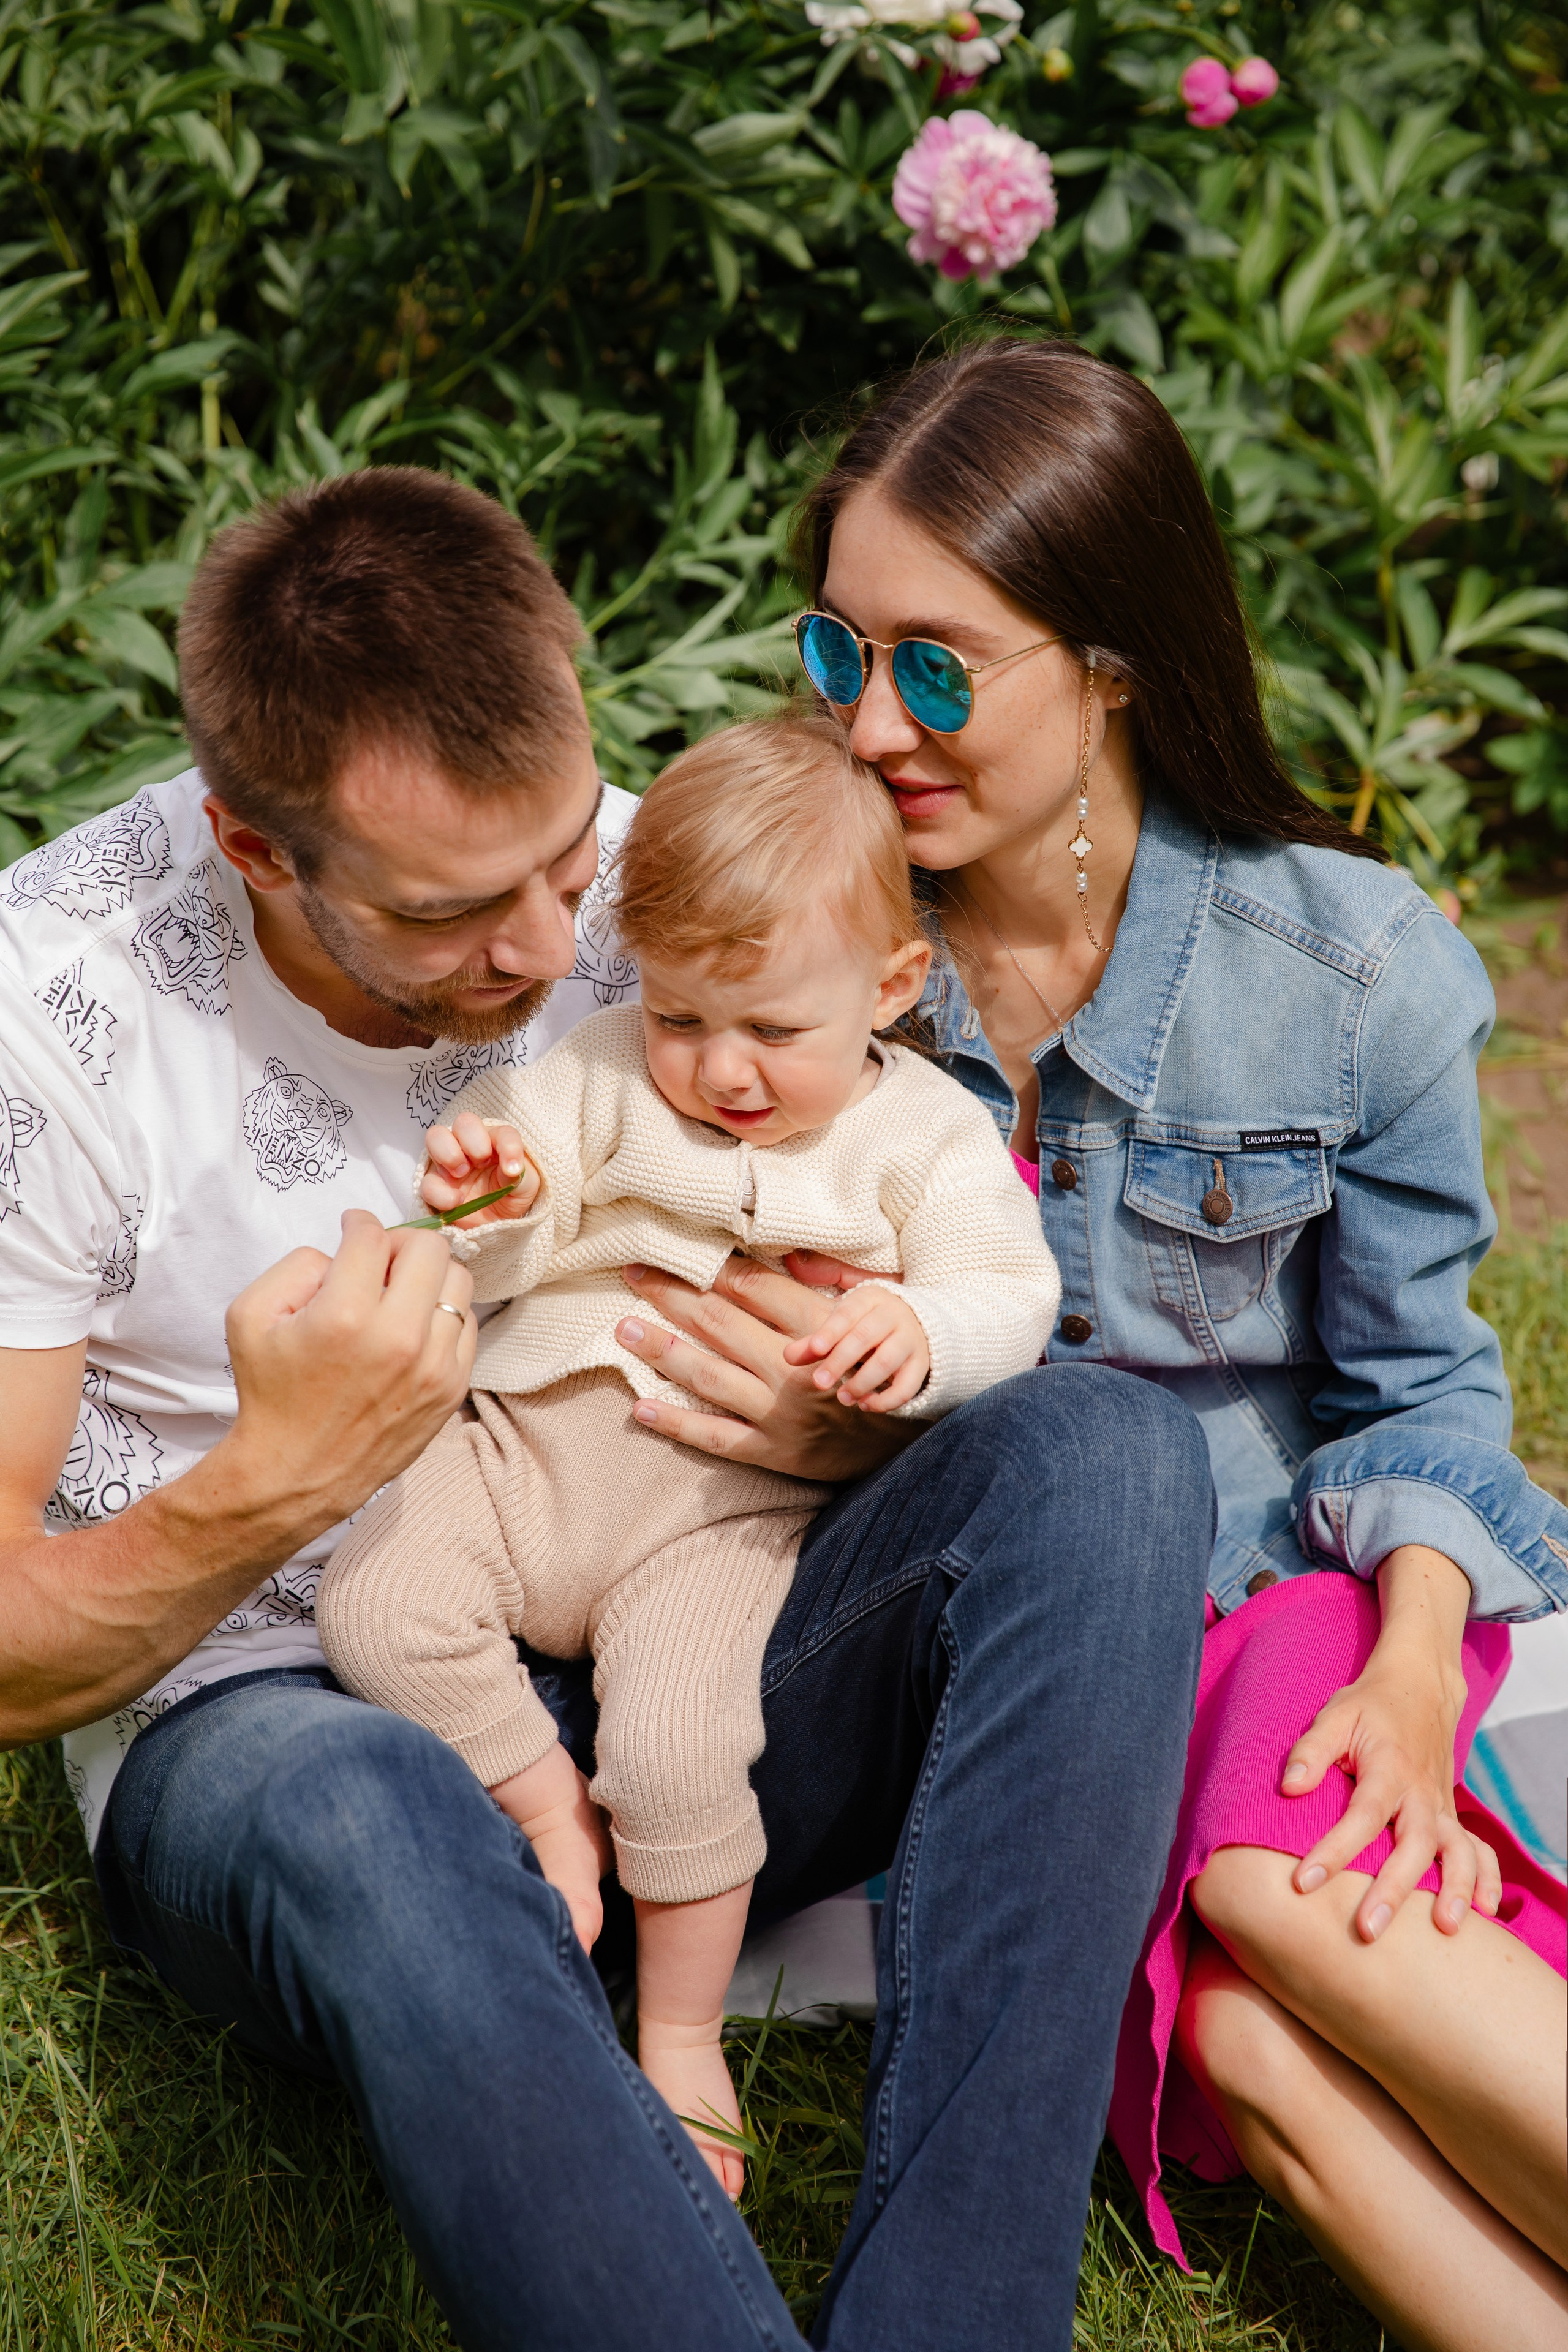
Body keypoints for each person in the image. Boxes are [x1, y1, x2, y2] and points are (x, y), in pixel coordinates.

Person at [0, 462, 1216, 2352]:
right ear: (258, 849)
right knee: (372, 1806)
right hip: (297, 1722)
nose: (555, 946)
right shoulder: (45, 1019)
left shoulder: (670, 887)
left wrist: (842, 1417)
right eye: (459, 913)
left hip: (698, 1638)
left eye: (569, 861)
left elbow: (927, 1205)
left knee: (1112, 1458)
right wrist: (277, 1483)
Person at [750, 331, 1567, 2352]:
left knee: (1287, 1898)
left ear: (1109, 659)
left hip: (1282, 1609)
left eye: (938, 665)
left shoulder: (1348, 964)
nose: (869, 729)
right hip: (1011, 1690)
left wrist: (1398, 1674)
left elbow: (1424, 1383)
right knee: (1262, 2066)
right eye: (835, 652)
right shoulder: (789, 959)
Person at [316, 714, 1061, 2197]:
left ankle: (679, 2024)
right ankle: (542, 1807)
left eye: (772, 1031)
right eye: (679, 1018)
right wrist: (492, 1195)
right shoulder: (596, 1078)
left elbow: (1009, 1288)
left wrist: (919, 1329)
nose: (718, 1070)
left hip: (713, 1516)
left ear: (892, 987)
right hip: (522, 1449)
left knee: (676, 1751)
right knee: (374, 1610)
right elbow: (506, 1246)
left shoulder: (919, 1136)